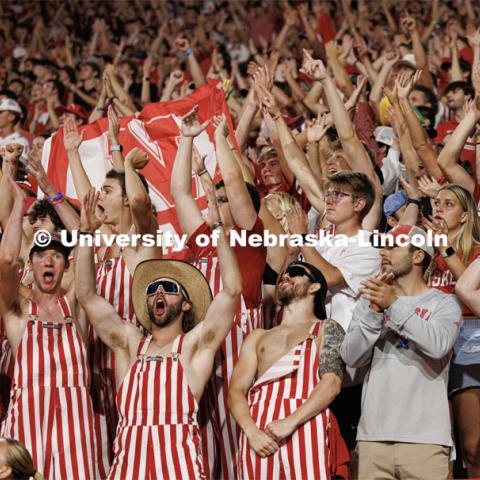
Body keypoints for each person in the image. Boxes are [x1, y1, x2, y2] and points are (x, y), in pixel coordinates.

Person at [75, 186, 242, 479]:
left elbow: (231, 291)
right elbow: (87, 295)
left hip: (179, 468)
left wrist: (217, 228)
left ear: (187, 304)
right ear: (146, 301)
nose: (159, 292)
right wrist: (86, 236)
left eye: (169, 288)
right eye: (152, 289)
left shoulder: (194, 346)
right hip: (129, 467)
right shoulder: (128, 343)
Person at [171, 108, 267, 478]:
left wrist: (221, 139)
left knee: (238, 456)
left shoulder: (249, 239)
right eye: (217, 199)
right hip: (199, 355)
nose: (217, 201)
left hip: (238, 360)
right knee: (201, 447)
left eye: (226, 200)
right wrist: (187, 138)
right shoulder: (205, 242)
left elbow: (232, 180)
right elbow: (180, 192)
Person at [341, 225, 462, 480]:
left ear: (418, 256)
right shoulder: (371, 299)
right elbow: (351, 357)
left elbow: (438, 345)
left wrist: (393, 306)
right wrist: (374, 312)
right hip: (373, 437)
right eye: (383, 247)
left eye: (393, 246)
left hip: (425, 440)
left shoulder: (444, 303)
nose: (383, 253)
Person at [0, 175, 100, 478]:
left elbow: (87, 254)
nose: (49, 262)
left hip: (76, 425)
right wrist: (18, 206)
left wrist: (86, 232)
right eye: (41, 255)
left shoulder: (78, 305)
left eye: (56, 256)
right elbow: (5, 261)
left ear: (66, 266)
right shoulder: (17, 311)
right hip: (28, 422)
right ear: (30, 265)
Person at [229, 260, 347, 479]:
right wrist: (251, 431)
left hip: (307, 424)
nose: (285, 276)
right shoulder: (257, 336)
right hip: (260, 428)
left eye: (295, 273)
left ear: (314, 287)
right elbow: (236, 390)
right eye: (283, 274)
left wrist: (290, 421)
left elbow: (332, 383)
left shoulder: (326, 328)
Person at [425, 184, 480, 477]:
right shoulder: (428, 256)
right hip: (429, 345)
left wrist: (445, 246)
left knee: (472, 445)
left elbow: (469, 289)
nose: (439, 209)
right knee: (441, 445)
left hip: (468, 340)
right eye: (436, 203)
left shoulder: (476, 252)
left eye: (448, 204)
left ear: (464, 216)